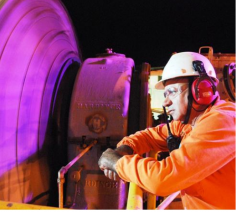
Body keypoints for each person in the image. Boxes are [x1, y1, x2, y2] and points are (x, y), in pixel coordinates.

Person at [98, 52, 235, 209]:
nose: (166, 101)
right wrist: (123, 149)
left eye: (173, 92)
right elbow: (149, 136)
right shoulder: (189, 123)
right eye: (165, 94)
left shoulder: (222, 121)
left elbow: (162, 179)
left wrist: (116, 162)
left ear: (201, 90)